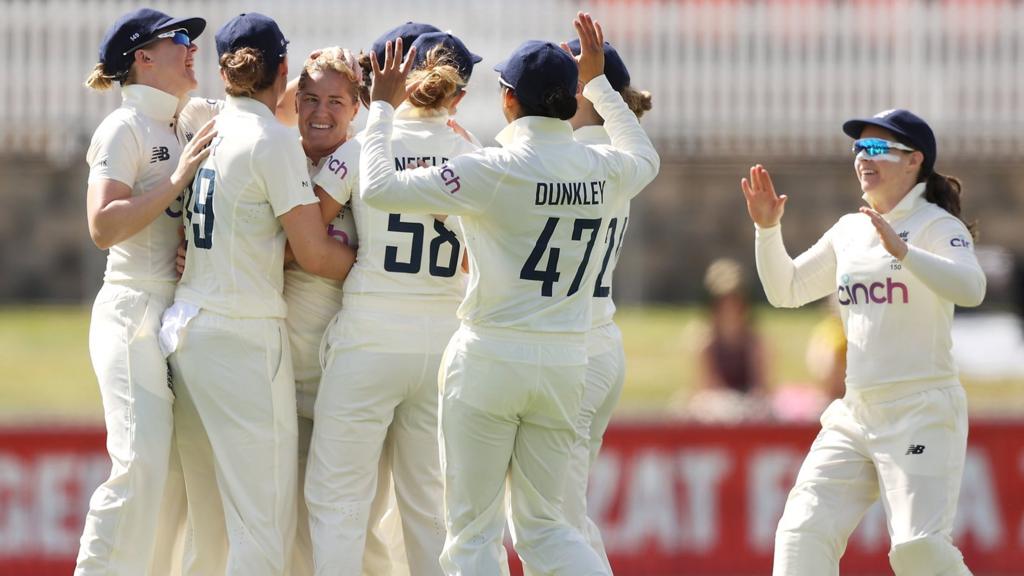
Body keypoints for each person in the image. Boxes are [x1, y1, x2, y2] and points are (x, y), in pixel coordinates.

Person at [358, 13, 659, 574]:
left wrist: (379, 106)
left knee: (472, 535)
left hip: (491, 357)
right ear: (570, 103)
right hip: (567, 361)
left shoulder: (490, 168)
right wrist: (598, 83)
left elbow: (376, 187)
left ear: (508, 103)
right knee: (548, 530)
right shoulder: (606, 167)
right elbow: (646, 157)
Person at [740, 108, 985, 575]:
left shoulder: (938, 227)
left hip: (921, 412)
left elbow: (972, 289)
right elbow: (785, 290)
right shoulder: (851, 230)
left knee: (918, 550)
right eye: (858, 148)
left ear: (914, 161)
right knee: (801, 533)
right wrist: (767, 230)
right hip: (855, 414)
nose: (862, 158)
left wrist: (905, 252)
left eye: (876, 148)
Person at [164, 13, 356, 575]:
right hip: (242, 341)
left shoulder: (211, 123)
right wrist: (389, 273)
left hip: (189, 330)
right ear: (283, 70)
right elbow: (317, 255)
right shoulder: (272, 142)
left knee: (211, 525)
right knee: (263, 526)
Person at [304, 30, 482, 576]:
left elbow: (301, 233)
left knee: (337, 501)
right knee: (431, 514)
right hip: (443, 347)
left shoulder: (361, 150)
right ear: (449, 88)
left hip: (370, 340)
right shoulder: (471, 152)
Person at [77, 8, 217, 575]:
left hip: (175, 314)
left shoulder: (186, 119)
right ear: (143, 57)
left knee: (177, 481)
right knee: (138, 464)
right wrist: (178, 181)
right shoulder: (125, 126)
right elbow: (102, 225)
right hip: (132, 307)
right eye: (179, 39)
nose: (192, 48)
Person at [545, 36, 652, 573]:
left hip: (573, 353)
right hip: (600, 343)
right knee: (564, 518)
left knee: (554, 524)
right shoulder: (615, 154)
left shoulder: (577, 154)